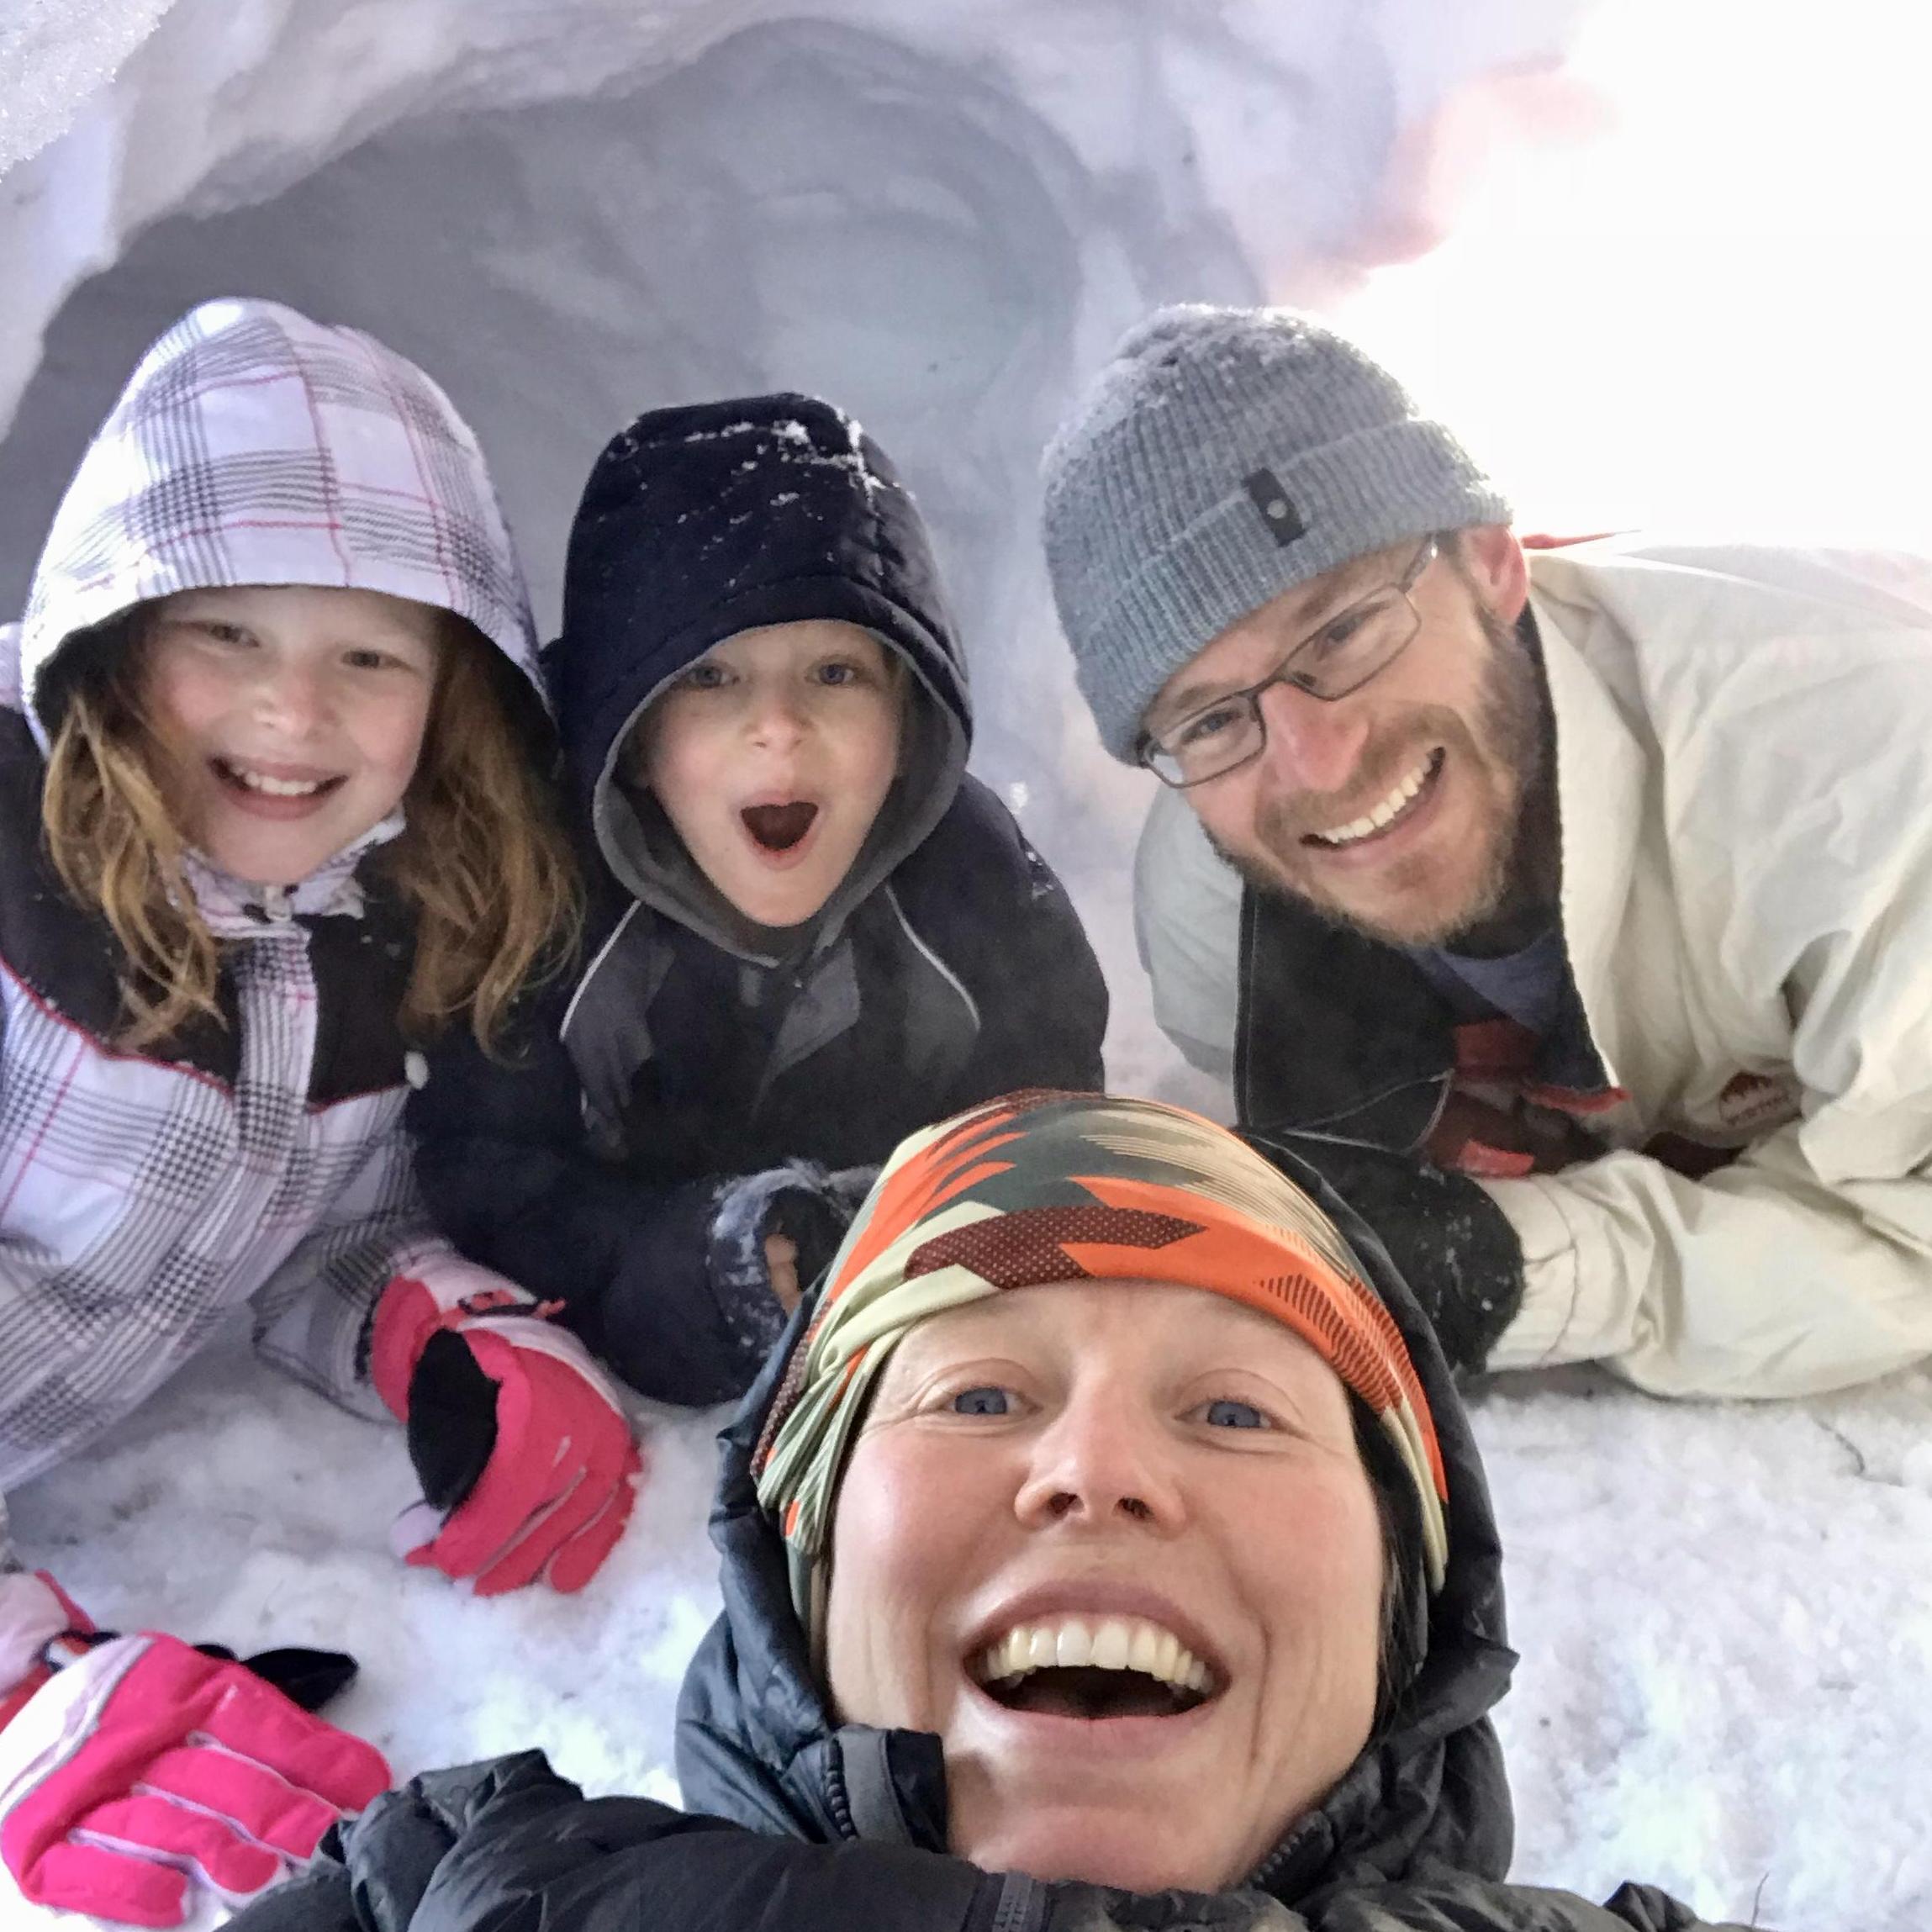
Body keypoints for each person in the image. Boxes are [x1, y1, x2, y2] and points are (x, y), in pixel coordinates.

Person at [214, 1090, 1750, 1931]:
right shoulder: (448, 1907)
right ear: (797, 1561)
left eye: (1233, 1410)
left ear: (1400, 1612)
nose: (1094, 1467)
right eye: (978, 1396)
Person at [1041, 303, 1932, 1399]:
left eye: (1341, 629)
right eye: (1211, 716)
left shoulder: (1862, 773)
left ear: (1490, 561)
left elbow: (1910, 1240)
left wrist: (1517, 1263)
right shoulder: (1212, 909)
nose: (1316, 763)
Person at [0, 296, 643, 1763]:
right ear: (115, 631)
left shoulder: (372, 916)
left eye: (368, 657)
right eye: (226, 629)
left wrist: (423, 1315)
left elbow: (289, 1223)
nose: (293, 708)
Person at [409, 393, 1109, 1407]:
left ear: (909, 714)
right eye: (711, 677)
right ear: (634, 739)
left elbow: (1049, 1117)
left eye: (835, 672)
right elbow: (493, 1181)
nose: (779, 728)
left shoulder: (971, 882)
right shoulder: (543, 910)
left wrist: (927, 1227)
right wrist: (682, 1266)